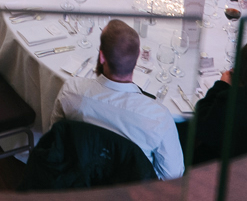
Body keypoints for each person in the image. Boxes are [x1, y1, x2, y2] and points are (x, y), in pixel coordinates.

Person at [55, 20, 185, 180]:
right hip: (130, 191)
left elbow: (55, 139)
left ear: (101, 56)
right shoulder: (158, 118)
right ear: (138, 56)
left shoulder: (71, 92)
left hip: (78, 183)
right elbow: (173, 176)